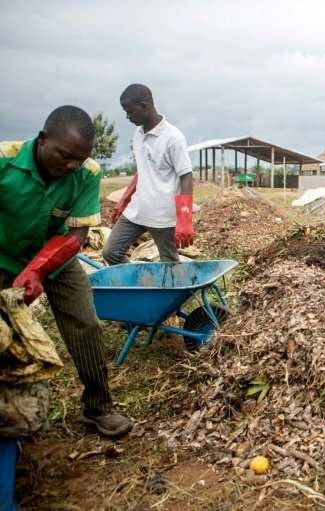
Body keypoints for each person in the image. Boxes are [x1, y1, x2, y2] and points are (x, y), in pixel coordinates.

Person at [0, 106, 133, 436]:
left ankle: (98, 407)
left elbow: (77, 235)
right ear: (43, 139)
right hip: (4, 256)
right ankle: (11, 412)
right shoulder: (4, 160)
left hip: (57, 256)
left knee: (86, 324)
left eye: (79, 159)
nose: (72, 165)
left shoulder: (87, 172)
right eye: (65, 156)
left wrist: (38, 269)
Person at [103, 84, 194, 265]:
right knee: (111, 252)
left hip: (163, 216)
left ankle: (168, 285)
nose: (127, 117)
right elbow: (143, 169)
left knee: (170, 266)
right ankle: (140, 281)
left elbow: (186, 176)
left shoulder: (173, 138)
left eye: (130, 112)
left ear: (144, 106)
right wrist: (124, 200)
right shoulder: (138, 133)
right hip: (138, 210)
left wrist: (184, 219)